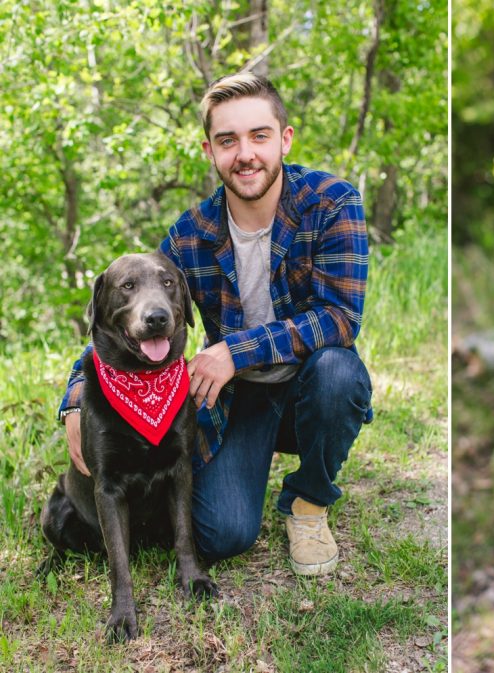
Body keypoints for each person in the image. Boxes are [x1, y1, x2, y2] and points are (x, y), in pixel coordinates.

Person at [59, 72, 373, 576]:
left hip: (310, 386)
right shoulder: (190, 234)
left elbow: (340, 317)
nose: (245, 153)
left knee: (340, 373)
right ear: (210, 150)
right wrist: (77, 395)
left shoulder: (333, 203)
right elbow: (127, 315)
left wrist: (234, 351)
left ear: (284, 139)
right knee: (222, 535)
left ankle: (308, 501)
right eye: (228, 140)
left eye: (259, 136)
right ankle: (247, 466)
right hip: (235, 397)